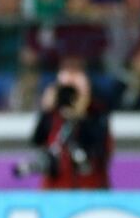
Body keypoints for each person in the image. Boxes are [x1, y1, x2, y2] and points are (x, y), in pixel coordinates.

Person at [14, 58, 113, 189]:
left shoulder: (97, 114)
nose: (70, 99)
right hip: (55, 191)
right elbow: (37, 140)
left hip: (90, 191)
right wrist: (46, 111)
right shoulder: (52, 116)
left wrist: (81, 117)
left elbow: (99, 152)